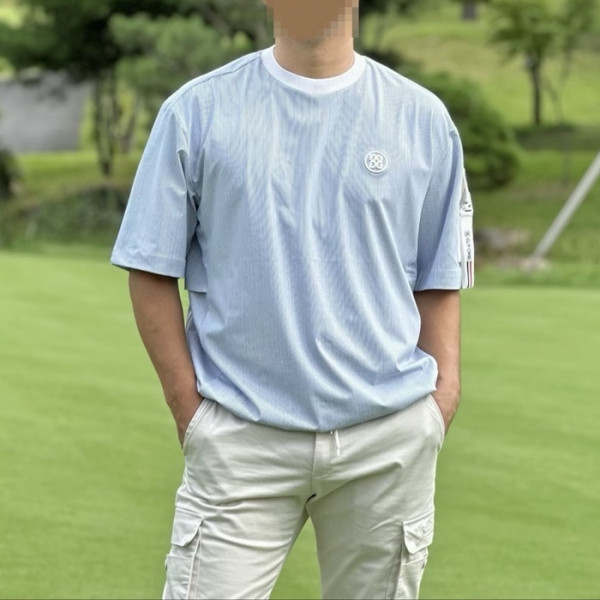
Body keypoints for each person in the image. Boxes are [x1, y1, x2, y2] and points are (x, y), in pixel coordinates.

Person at [111, 1, 474, 598]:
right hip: (241, 440)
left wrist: (439, 404)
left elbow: (439, 276)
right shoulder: (196, 112)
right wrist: (189, 410)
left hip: (387, 442)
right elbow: (150, 266)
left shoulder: (422, 119)